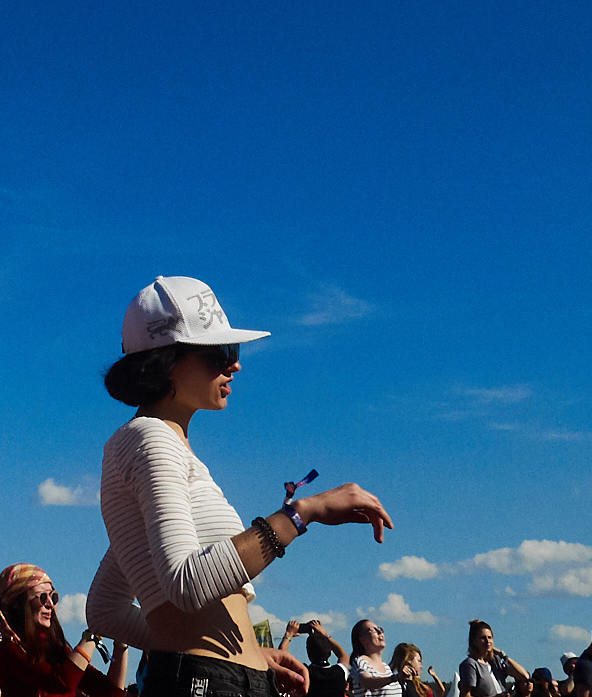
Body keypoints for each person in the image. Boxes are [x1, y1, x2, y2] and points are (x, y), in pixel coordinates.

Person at [84, 276, 394, 697]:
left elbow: (104, 608)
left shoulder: (155, 445)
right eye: (219, 353)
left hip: (213, 677)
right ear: (166, 361)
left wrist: (232, 650)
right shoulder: (151, 440)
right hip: (208, 683)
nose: (235, 365)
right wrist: (305, 512)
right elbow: (187, 583)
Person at [0, 565, 124, 697]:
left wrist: (121, 646)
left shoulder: (56, 649)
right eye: (42, 597)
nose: (50, 604)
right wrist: (93, 635)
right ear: (17, 603)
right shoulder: (8, 650)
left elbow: (110, 693)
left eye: (53, 597)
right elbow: (60, 682)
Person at [460, 623, 527, 697]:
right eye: (483, 638)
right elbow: (465, 695)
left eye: (489, 637)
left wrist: (503, 655)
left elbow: (524, 676)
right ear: (474, 641)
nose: (487, 641)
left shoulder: (495, 662)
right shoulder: (471, 664)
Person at [283, 623, 344, 697]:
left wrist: (289, 635)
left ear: (309, 654)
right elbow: (343, 656)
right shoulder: (339, 672)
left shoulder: (305, 672)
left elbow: (283, 657)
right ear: (330, 652)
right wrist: (326, 635)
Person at [346, 623, 400, 697]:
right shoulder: (360, 662)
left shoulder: (386, 667)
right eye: (373, 630)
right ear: (362, 640)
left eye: (380, 629)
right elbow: (366, 682)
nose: (380, 632)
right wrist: (394, 678)